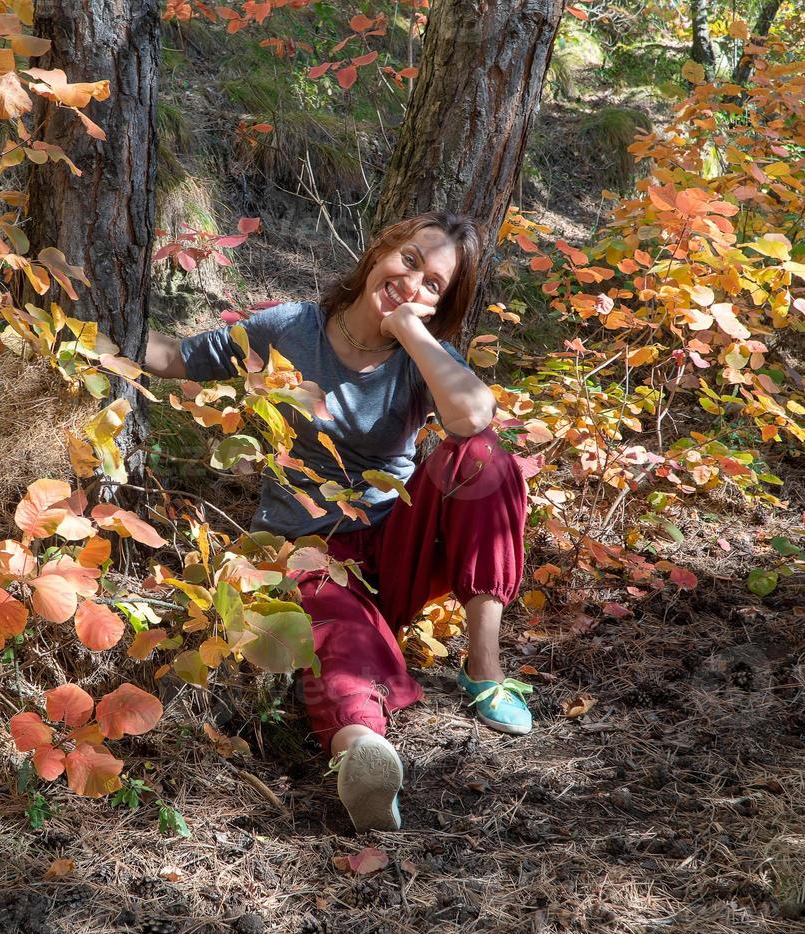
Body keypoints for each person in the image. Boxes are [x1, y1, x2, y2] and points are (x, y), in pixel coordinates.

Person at [142, 211, 530, 832]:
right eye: (408, 262)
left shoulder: (419, 356)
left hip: (393, 546)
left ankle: (484, 670)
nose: (412, 284)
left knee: (485, 459)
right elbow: (179, 358)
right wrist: (95, 334)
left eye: (433, 285)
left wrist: (413, 335)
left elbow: (474, 418)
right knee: (332, 628)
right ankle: (363, 757)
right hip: (309, 546)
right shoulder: (293, 327)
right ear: (380, 251)